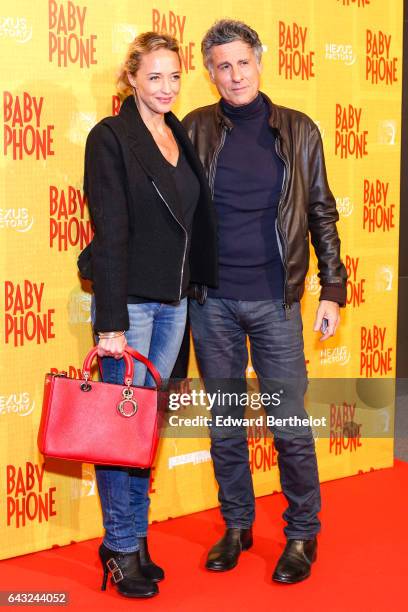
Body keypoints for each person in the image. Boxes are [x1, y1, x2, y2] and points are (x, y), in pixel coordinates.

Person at [182, 19, 347, 584]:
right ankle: (237, 525)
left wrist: (332, 287)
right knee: (226, 423)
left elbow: (322, 211)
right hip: (212, 303)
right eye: (222, 66)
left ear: (260, 60)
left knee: (289, 425)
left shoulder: (299, 130)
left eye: (242, 62)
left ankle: (302, 534)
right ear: (209, 74)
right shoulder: (194, 129)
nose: (234, 75)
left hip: (277, 301)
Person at [79, 31, 217, 598]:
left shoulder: (177, 133)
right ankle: (124, 545)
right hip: (130, 306)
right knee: (122, 429)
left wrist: (197, 287)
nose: (166, 87)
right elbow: (109, 231)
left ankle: (126, 538)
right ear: (131, 78)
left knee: (143, 429)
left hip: (175, 302)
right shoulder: (111, 137)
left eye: (175, 76)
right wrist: (110, 321)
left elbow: (189, 222)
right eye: (154, 76)